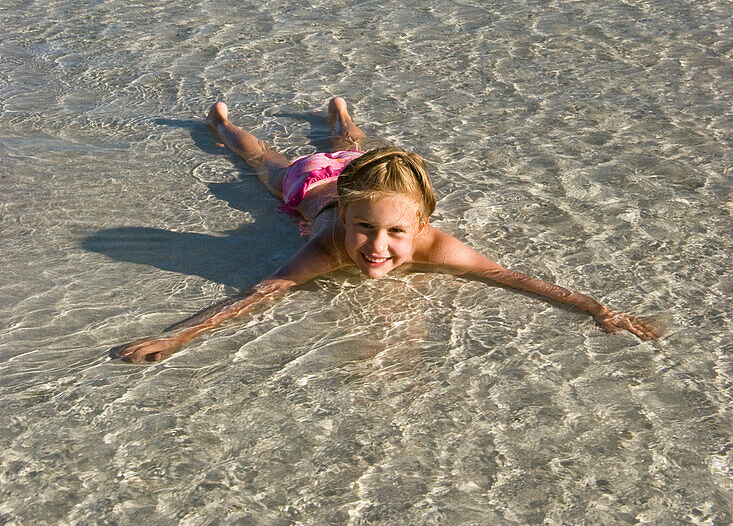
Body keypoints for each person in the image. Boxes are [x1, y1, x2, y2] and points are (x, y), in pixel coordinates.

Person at [117, 97, 659, 363]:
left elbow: (509, 276)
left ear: (422, 223)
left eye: (396, 232)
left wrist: (596, 308)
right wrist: (179, 336)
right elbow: (262, 295)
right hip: (309, 184)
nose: (377, 247)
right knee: (262, 161)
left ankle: (340, 114)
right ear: (346, 220)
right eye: (364, 230)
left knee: (356, 145)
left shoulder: (434, 243)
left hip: (358, 170)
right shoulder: (326, 243)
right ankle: (222, 123)